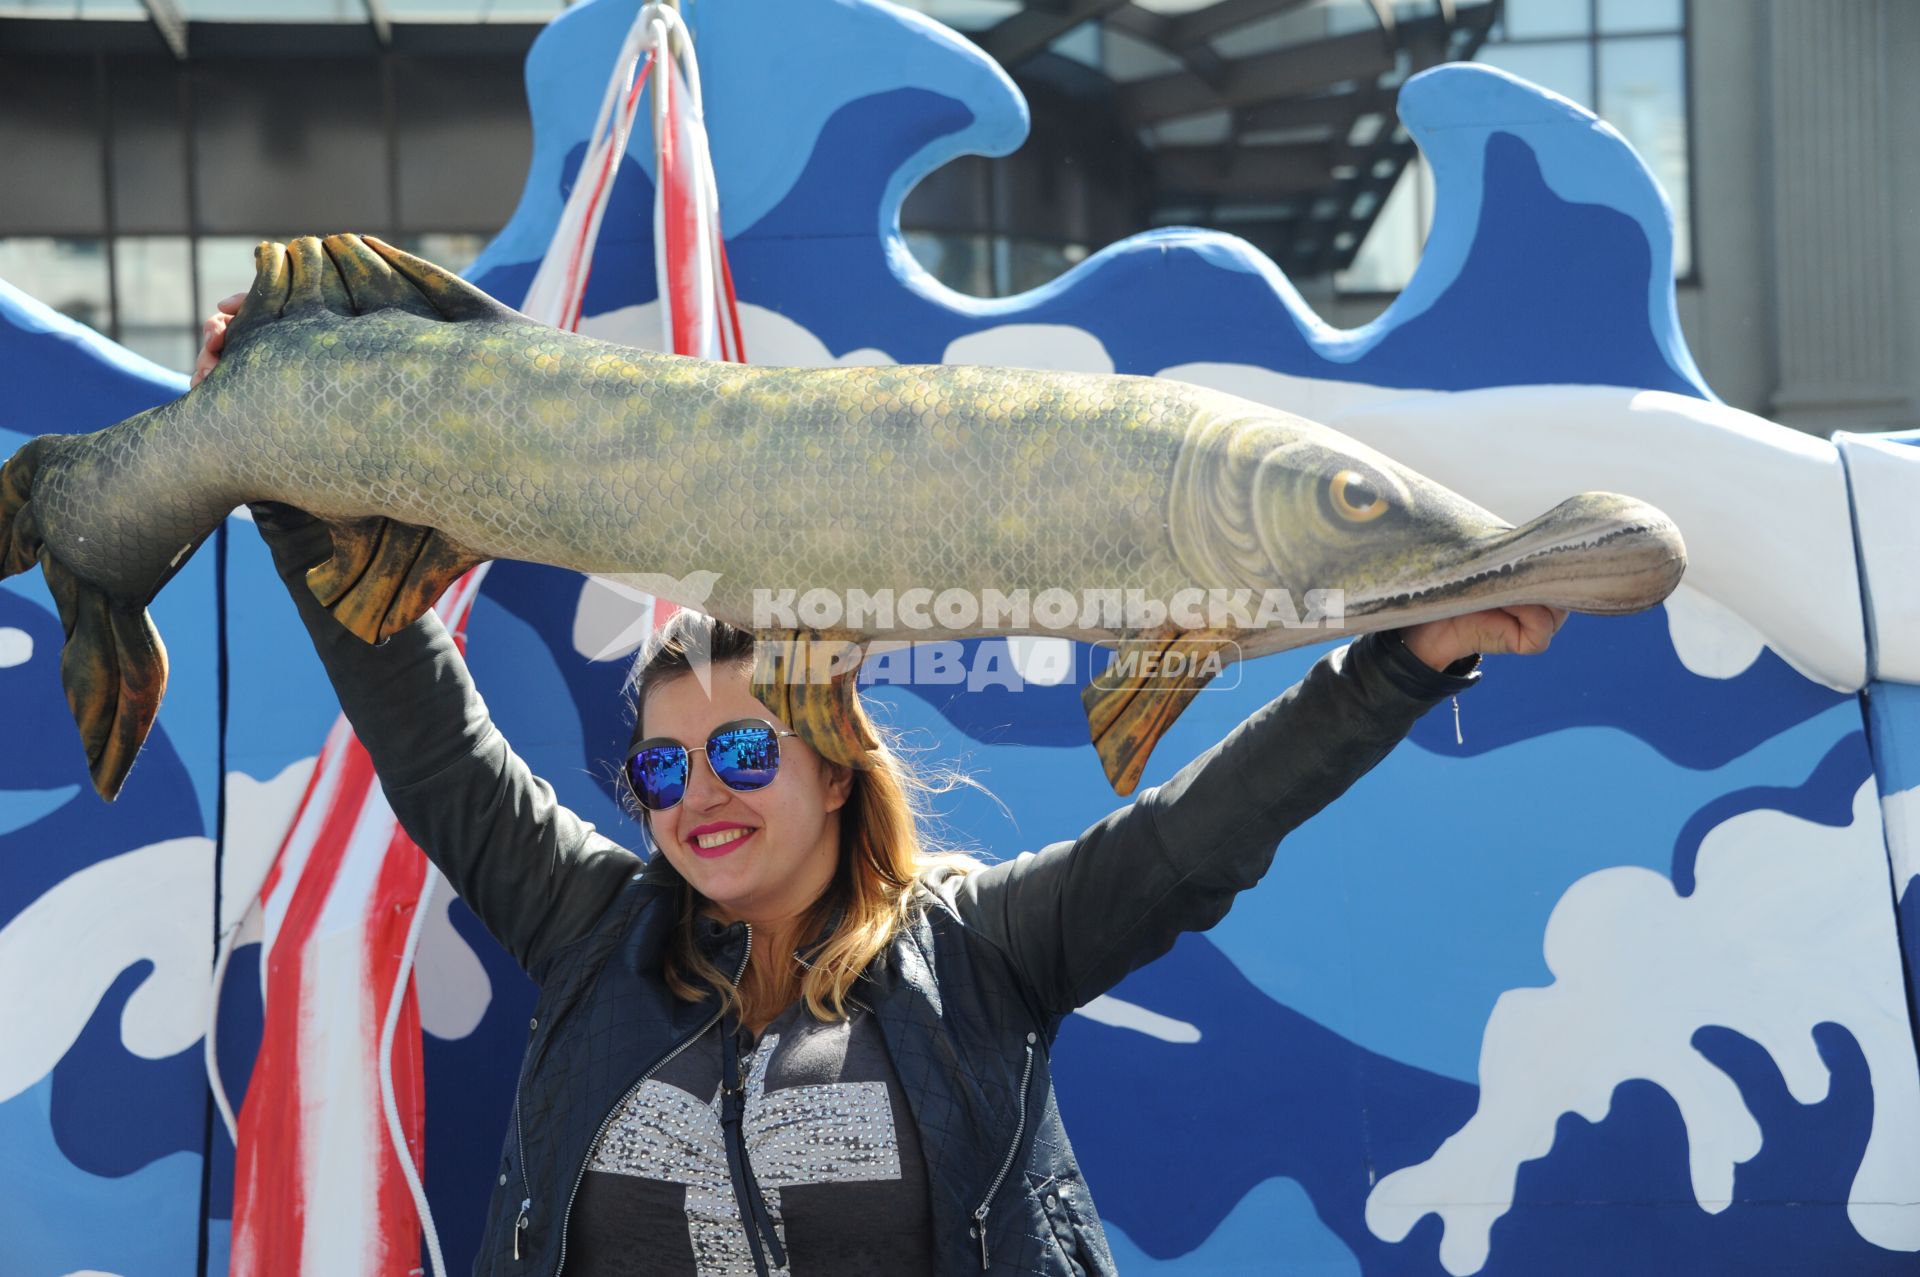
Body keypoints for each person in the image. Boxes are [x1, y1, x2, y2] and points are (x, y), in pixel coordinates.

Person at [196, 300, 1567, 1276]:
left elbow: (1197, 836)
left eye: (744, 752)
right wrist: (291, 475)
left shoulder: (980, 953)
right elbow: (429, 739)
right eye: (662, 767)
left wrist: (1402, 666)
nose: (697, 798)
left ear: (838, 765)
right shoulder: (590, 930)